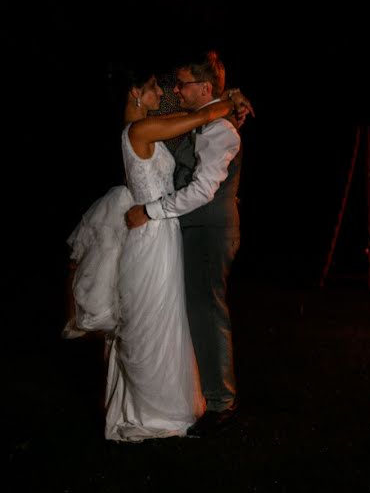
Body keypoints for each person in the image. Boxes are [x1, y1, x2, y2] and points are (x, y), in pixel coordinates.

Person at [66, 63, 245, 441]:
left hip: (161, 230)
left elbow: (198, 119)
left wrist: (228, 105)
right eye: (154, 90)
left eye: (171, 88)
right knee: (152, 318)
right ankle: (152, 408)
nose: (163, 94)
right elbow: (202, 114)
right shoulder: (142, 129)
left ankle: (165, 402)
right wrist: (229, 100)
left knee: (165, 317)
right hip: (151, 234)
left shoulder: (146, 125)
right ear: (136, 93)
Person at [125, 50, 247, 437]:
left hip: (209, 228)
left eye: (183, 84)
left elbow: (202, 191)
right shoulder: (200, 122)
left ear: (205, 88)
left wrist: (152, 211)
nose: (176, 90)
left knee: (208, 313)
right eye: (174, 85)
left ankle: (220, 403)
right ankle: (198, 393)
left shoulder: (221, 129)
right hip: (189, 230)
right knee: (194, 312)